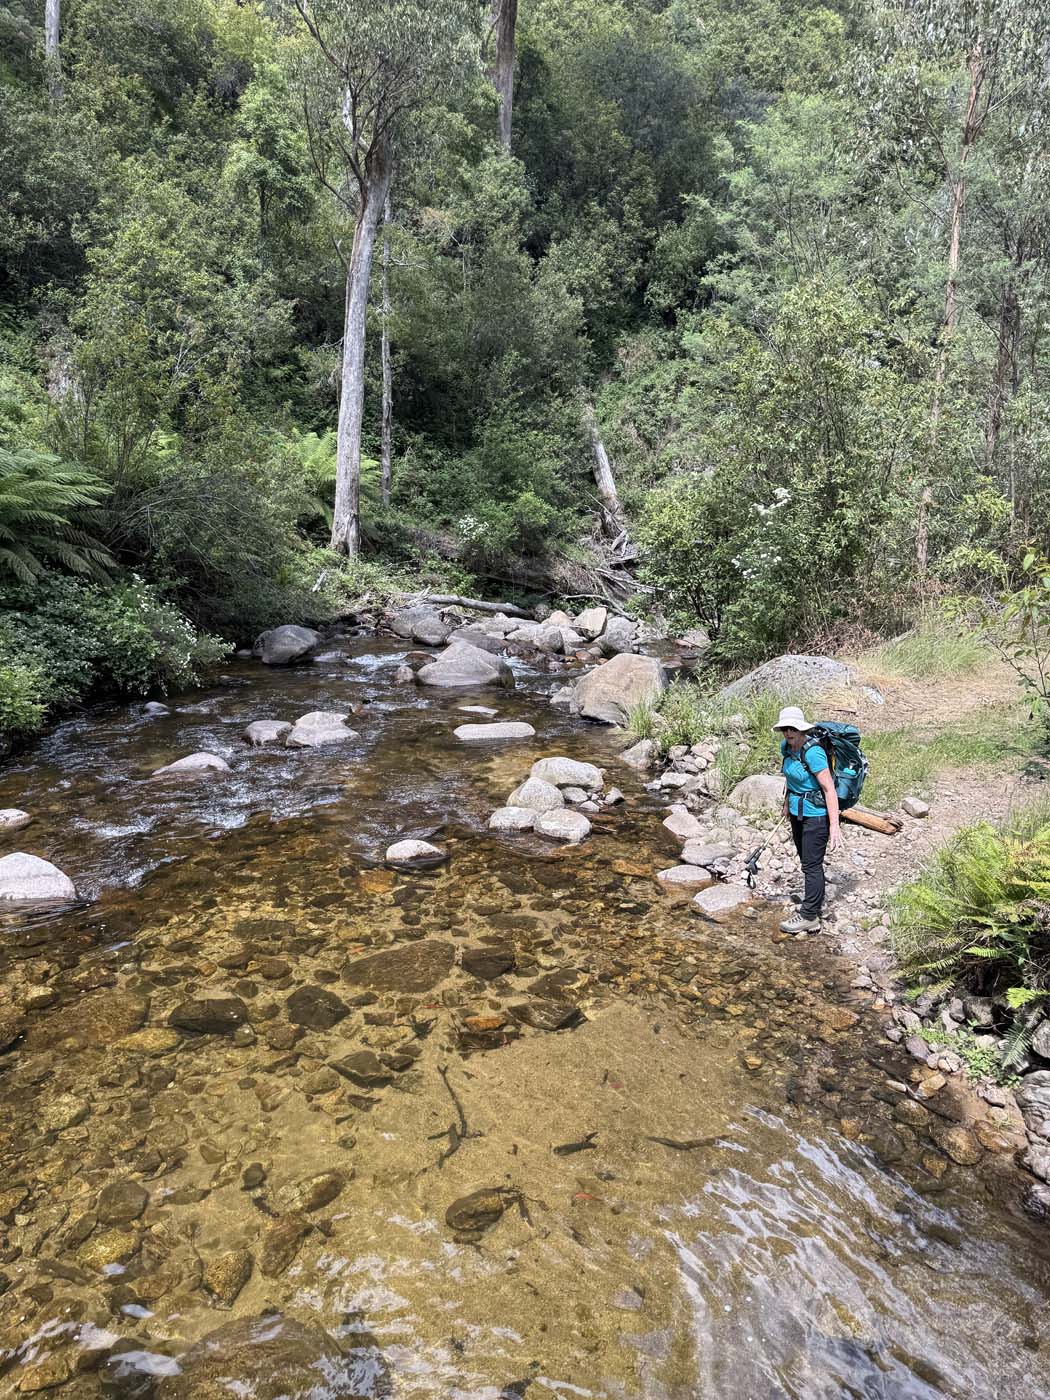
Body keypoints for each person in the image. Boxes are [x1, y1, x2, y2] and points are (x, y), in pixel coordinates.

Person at [773, 705, 840, 935]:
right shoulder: (786, 747)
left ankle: (810, 916)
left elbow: (829, 789)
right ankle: (814, 901)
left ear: (801, 729)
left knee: (812, 865)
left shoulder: (813, 753)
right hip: (797, 812)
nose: (788, 733)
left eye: (792, 729)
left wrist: (834, 827)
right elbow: (790, 779)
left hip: (817, 816)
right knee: (806, 862)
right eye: (785, 729)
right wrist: (786, 805)